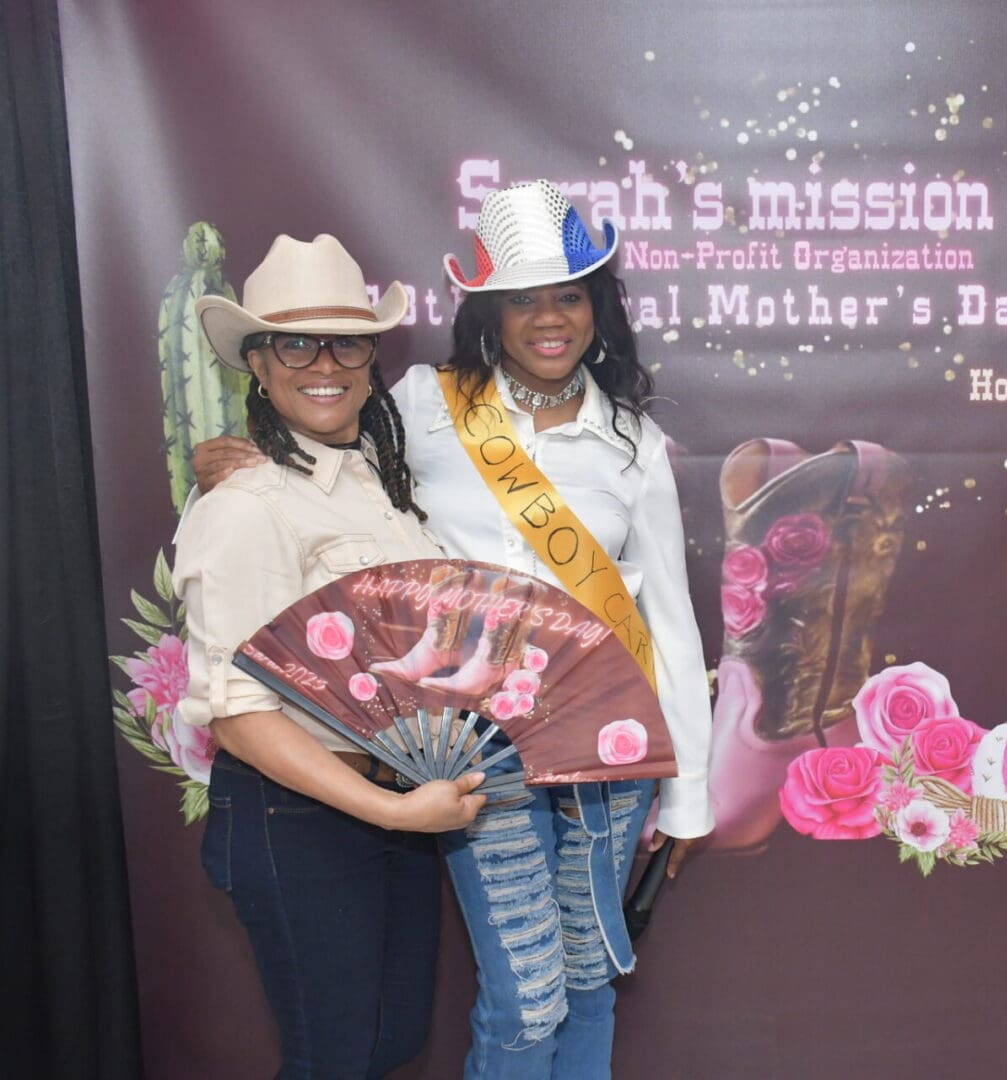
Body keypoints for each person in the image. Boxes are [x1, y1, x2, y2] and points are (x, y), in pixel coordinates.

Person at [195, 181, 714, 1079]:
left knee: (589, 983)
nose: (548, 319)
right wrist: (225, 457)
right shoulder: (424, 407)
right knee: (526, 996)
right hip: (479, 752)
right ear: (487, 311)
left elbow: (668, 612)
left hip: (612, 752)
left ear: (599, 306)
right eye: (522, 299)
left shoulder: (629, 438)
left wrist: (689, 794)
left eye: (569, 294)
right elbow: (314, 447)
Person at [175, 234, 488, 1080]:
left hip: (392, 804)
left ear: (371, 357)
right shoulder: (244, 505)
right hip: (301, 818)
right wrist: (389, 813)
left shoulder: (377, 486)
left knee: (386, 1046)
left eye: (346, 341)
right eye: (295, 341)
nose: (325, 363)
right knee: (334, 1059)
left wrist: (400, 807)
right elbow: (238, 716)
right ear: (259, 363)